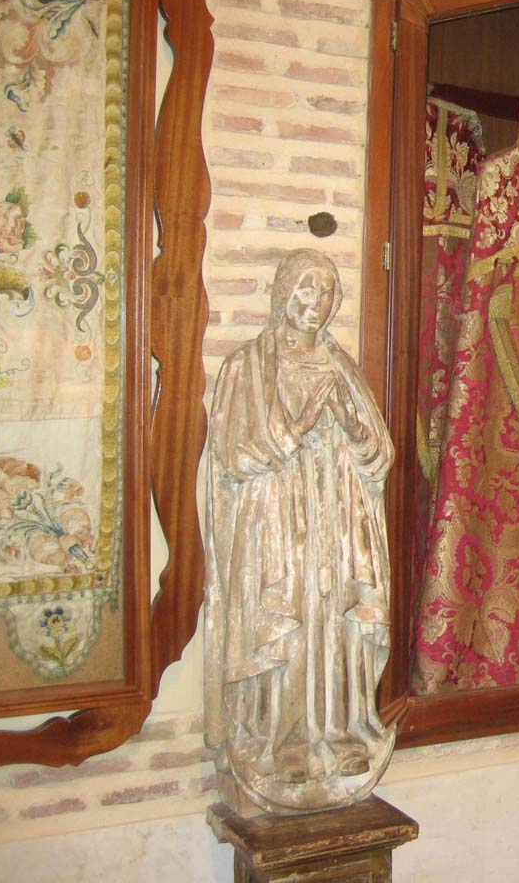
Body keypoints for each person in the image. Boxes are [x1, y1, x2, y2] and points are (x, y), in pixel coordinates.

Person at [204, 249, 395, 814]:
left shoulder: (341, 367)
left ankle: (340, 731)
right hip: (277, 526)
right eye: (306, 289)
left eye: (327, 292)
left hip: (337, 521)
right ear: (283, 292)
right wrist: (297, 426)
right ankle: (281, 740)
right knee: (288, 626)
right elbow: (235, 453)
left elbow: (378, 455)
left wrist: (352, 424)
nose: (317, 303)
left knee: (334, 622)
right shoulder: (247, 366)